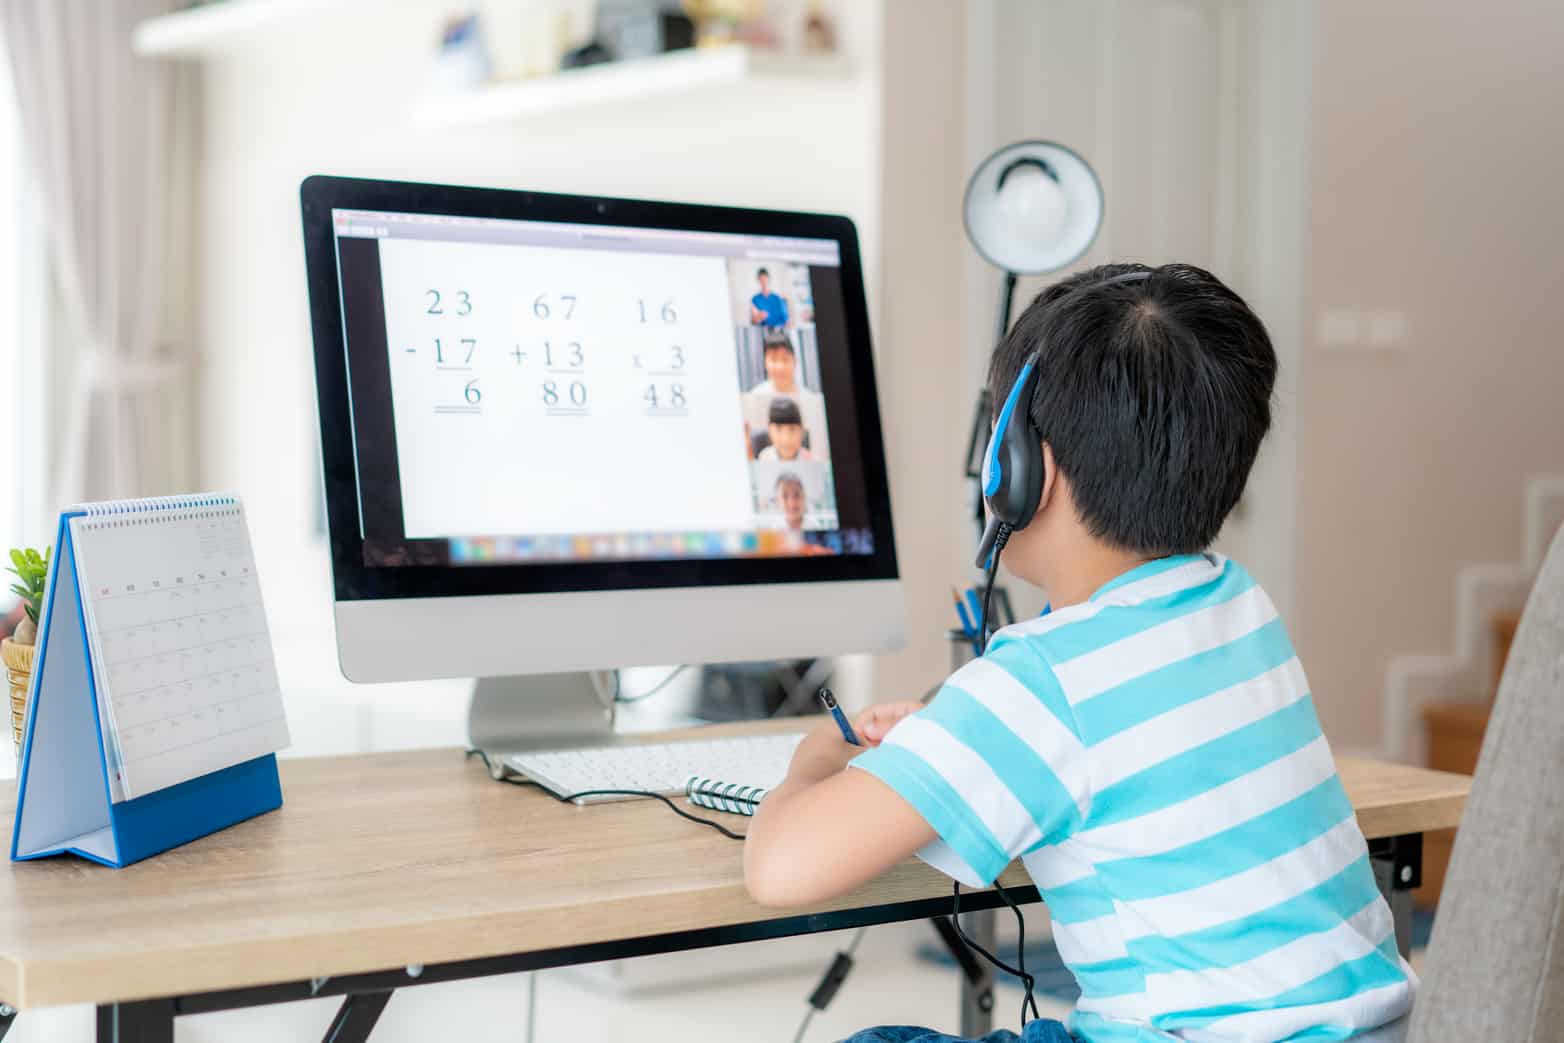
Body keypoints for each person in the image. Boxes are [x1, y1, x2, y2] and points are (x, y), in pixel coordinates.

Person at [743, 264, 1414, 1043]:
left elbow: (781, 867)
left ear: (1024, 469)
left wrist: (817, 759)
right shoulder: (1239, 603)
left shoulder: (1041, 682)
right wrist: (958, 727)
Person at [744, 333, 830, 459]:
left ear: (795, 361)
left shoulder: (810, 397)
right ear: (765, 362)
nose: (780, 366)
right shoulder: (754, 396)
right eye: (773, 359)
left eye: (785, 359)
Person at [757, 397, 815, 463]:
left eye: (792, 429)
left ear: (801, 431)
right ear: (770, 431)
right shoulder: (765, 457)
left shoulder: (809, 459)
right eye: (779, 429)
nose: (786, 438)